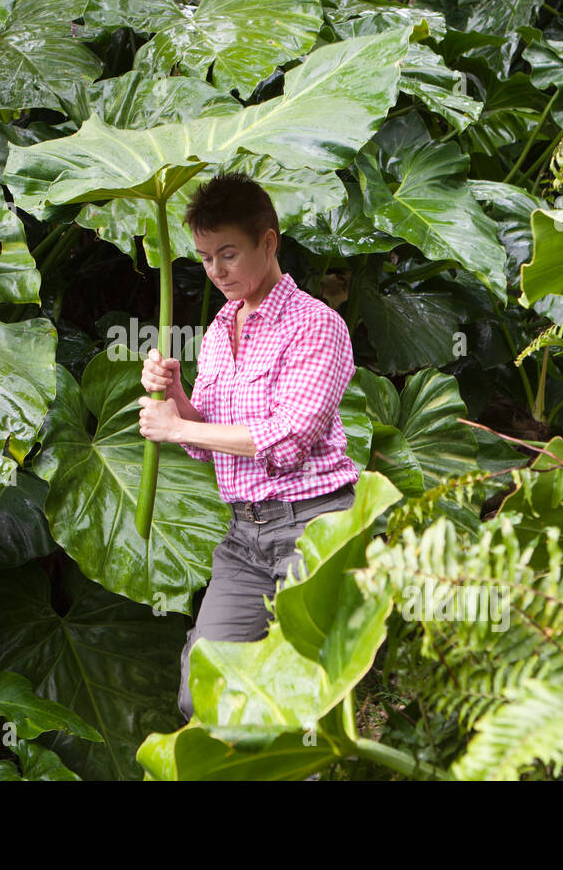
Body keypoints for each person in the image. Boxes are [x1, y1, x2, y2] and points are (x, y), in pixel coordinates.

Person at [136, 171, 359, 723]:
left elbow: (287, 442)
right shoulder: (218, 330)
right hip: (244, 537)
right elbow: (210, 442)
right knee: (204, 692)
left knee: (303, 698)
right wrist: (178, 397)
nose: (216, 272)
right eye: (205, 258)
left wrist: (177, 428)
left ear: (269, 241)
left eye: (229, 254)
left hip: (313, 530)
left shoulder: (316, 326)